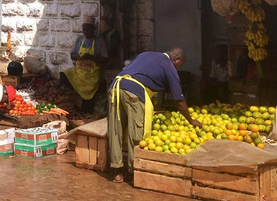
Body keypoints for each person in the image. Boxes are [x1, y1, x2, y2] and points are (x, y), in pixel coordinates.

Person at [108, 48, 201, 184]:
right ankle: (135, 172)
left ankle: (117, 173)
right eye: (180, 65)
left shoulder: (146, 54)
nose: (179, 67)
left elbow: (140, 74)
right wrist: (191, 120)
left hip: (115, 87)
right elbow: (179, 102)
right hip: (134, 93)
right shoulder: (169, 66)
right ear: (177, 59)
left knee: (116, 130)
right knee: (137, 132)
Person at [61, 16, 108, 110]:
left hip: (92, 74)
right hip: (80, 72)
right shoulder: (79, 40)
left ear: (93, 30)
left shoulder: (100, 41)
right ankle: (73, 97)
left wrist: (90, 57)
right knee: (63, 75)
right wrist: (79, 57)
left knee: (87, 105)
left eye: (88, 30)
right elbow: (72, 55)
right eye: (84, 30)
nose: (86, 32)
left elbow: (105, 59)